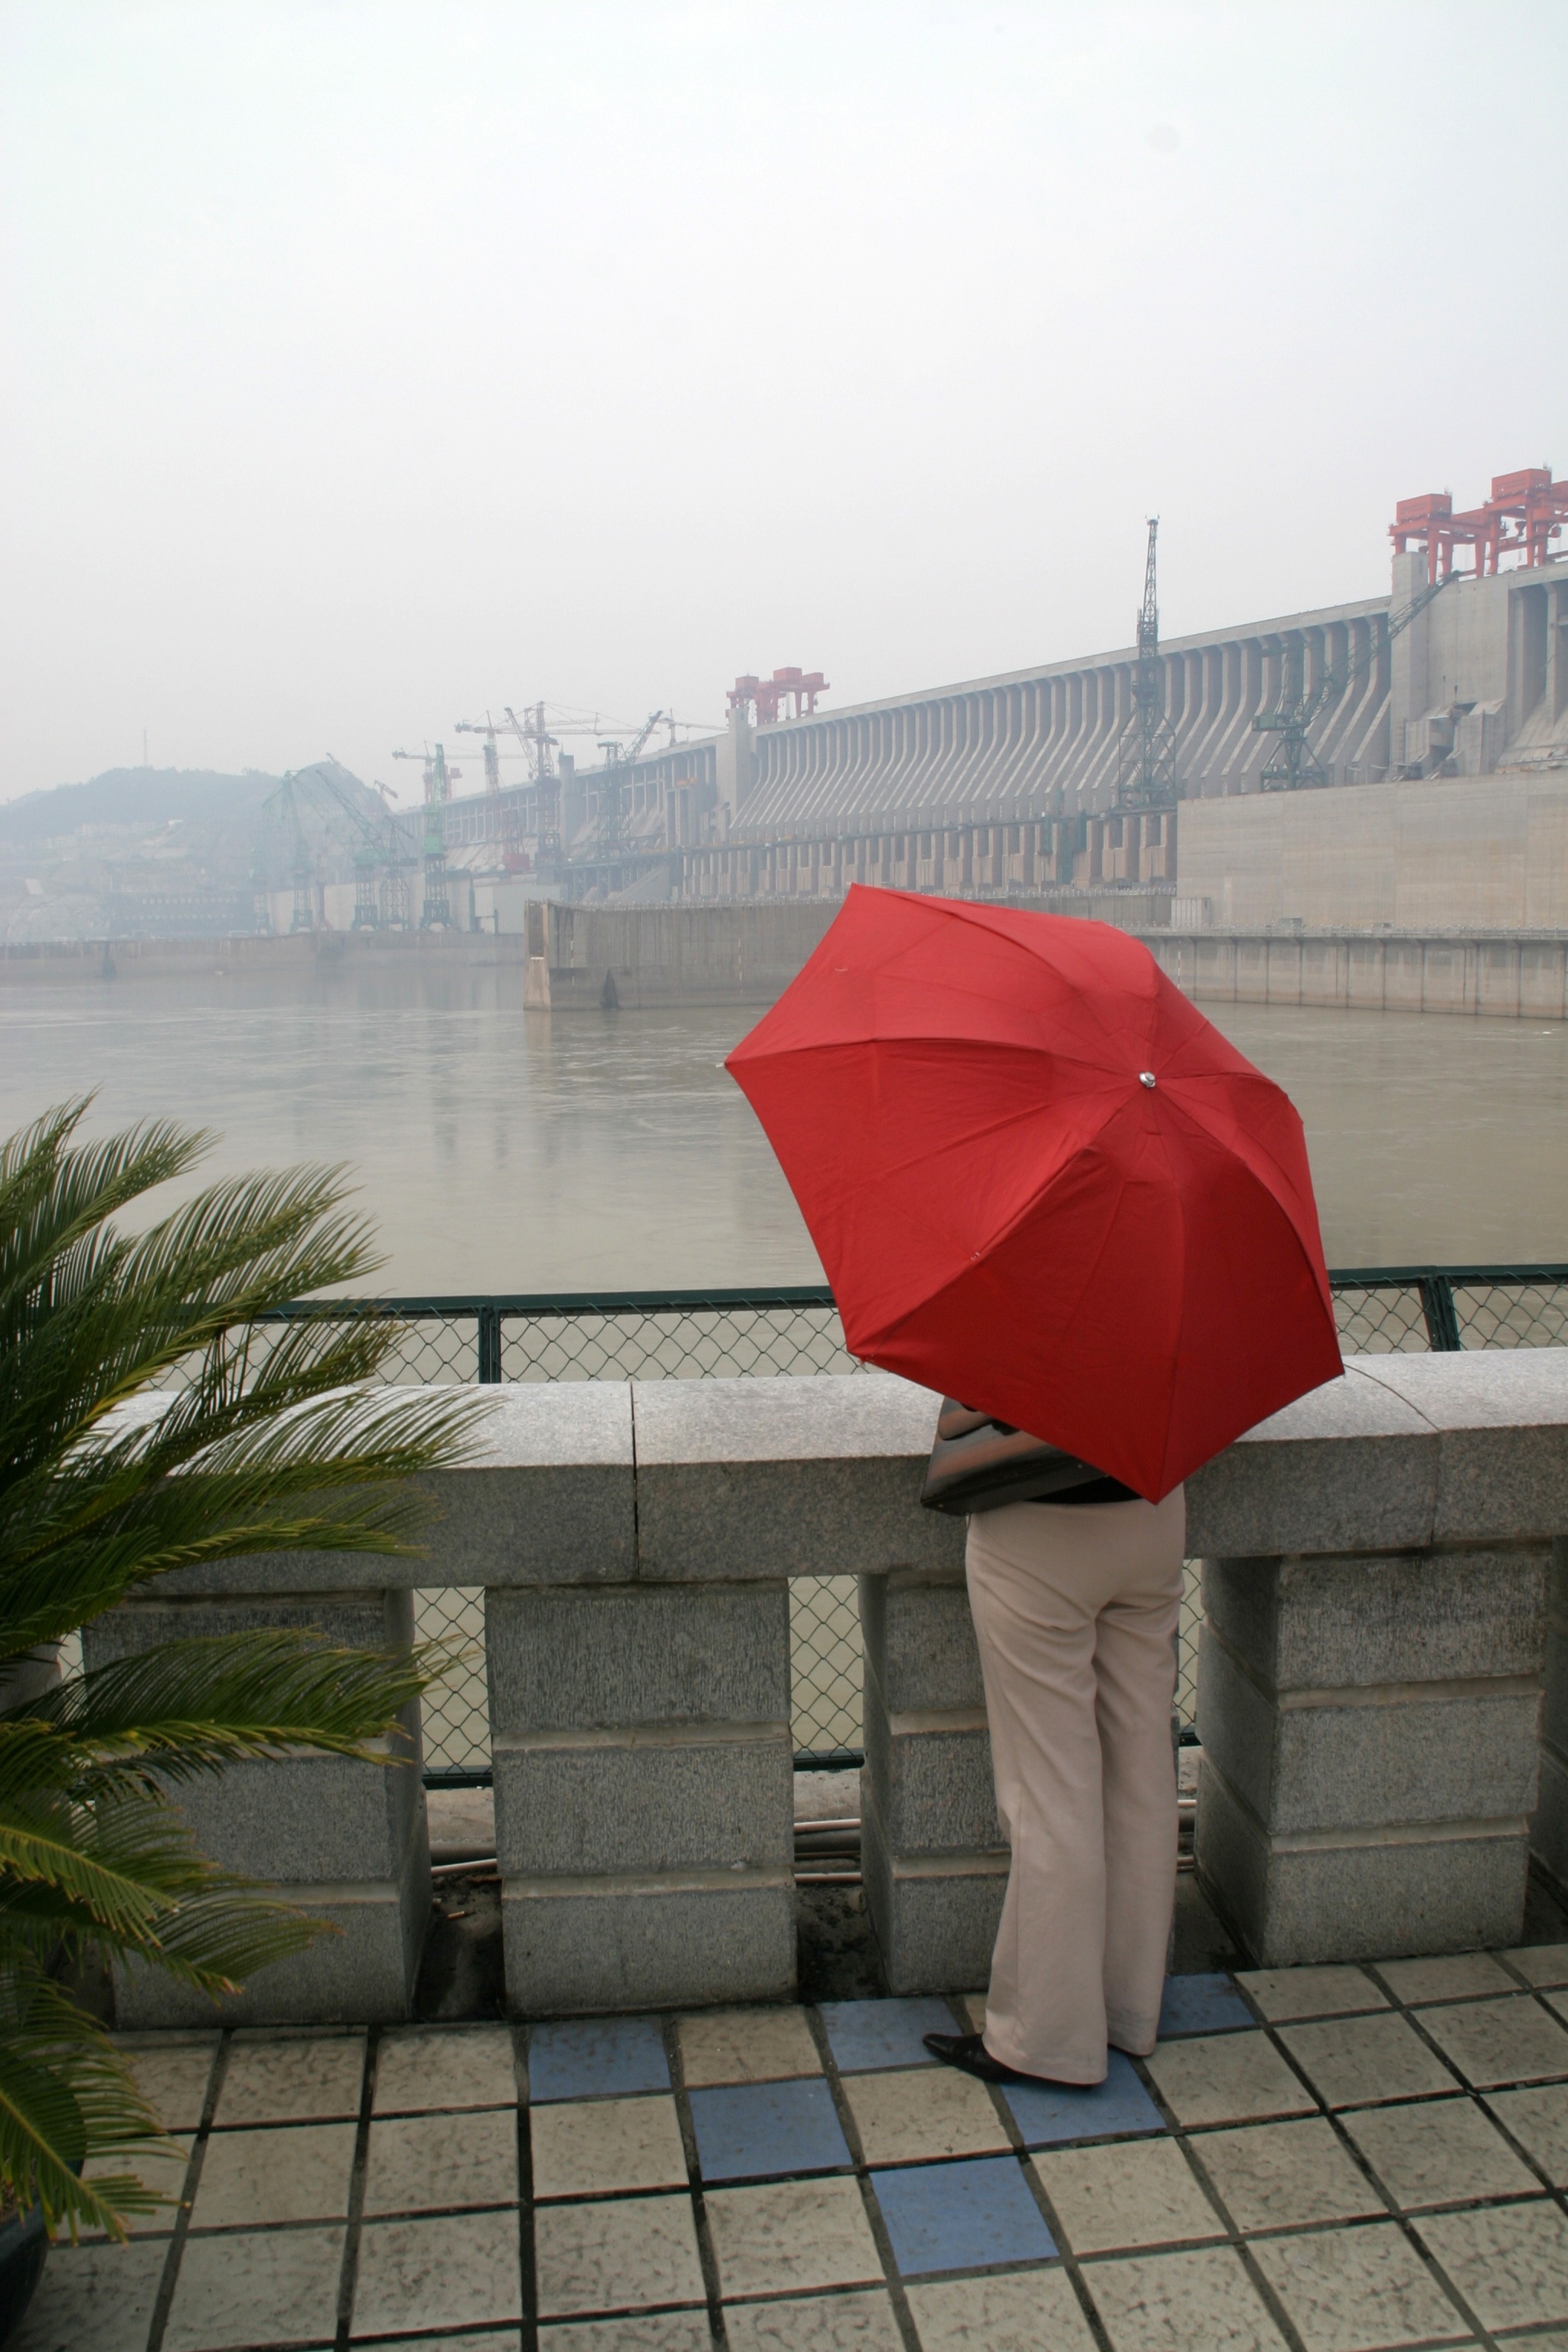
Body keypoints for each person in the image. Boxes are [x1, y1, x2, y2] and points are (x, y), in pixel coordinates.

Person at [923, 1475, 1184, 2087]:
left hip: (1039, 1524)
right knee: (1141, 1771)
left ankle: (1045, 2040)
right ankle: (1129, 2010)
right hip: (1153, 1516)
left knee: (1048, 1788)